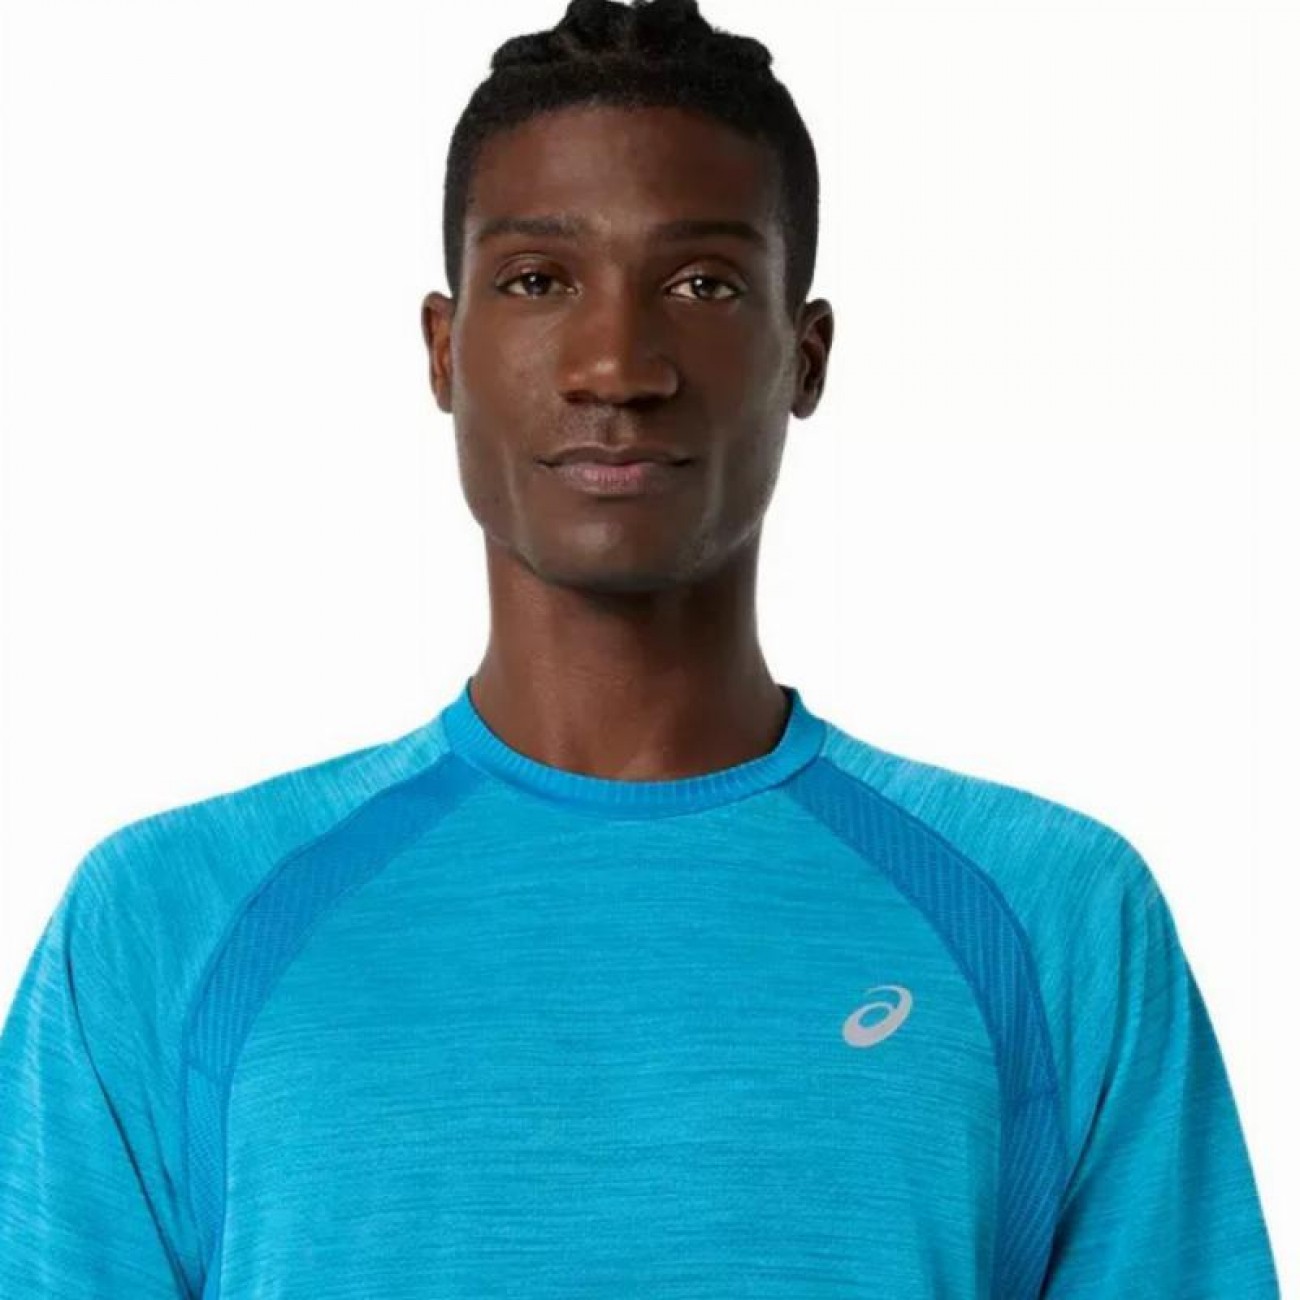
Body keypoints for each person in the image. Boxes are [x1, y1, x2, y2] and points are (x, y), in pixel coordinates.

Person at [0, 0, 1280, 1295]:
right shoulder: (163, 929)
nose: (617, 365)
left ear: (806, 357)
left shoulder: (1056, 923)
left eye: (703, 284)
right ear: (444, 350)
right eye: (538, 280)